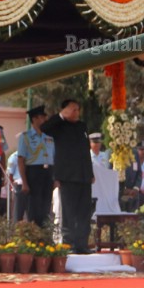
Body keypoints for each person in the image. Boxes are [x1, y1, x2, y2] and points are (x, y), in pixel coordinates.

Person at [41, 98, 94, 254]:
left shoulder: (82, 126)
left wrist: (90, 173)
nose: (76, 112)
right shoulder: (59, 125)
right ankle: (68, 244)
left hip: (84, 176)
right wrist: (60, 116)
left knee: (84, 212)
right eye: (73, 109)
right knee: (69, 212)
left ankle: (82, 244)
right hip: (68, 176)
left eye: (78, 109)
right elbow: (45, 128)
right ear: (65, 110)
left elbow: (85, 152)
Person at [18, 104, 55, 227]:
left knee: (46, 207)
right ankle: (34, 237)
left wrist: (56, 178)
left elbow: (55, 158)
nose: (44, 120)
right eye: (42, 117)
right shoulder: (25, 137)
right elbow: (21, 160)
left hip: (48, 173)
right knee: (34, 208)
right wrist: (24, 182)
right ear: (34, 119)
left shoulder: (50, 137)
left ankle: (44, 237)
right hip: (33, 173)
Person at [6, 151, 26, 222]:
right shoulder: (14, 156)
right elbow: (9, 174)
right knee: (18, 213)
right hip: (19, 185)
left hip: (31, 185)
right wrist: (12, 187)